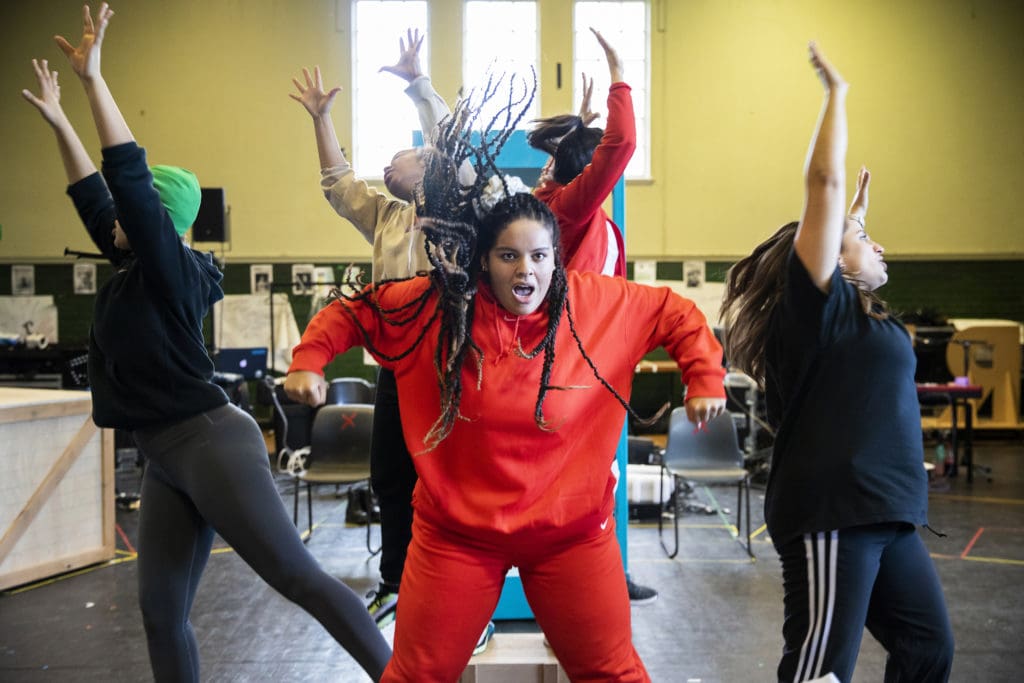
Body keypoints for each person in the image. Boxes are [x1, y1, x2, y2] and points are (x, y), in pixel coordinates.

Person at [285, 89, 726, 676]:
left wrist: (705, 378)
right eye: (509, 257)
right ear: (484, 260)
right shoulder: (439, 307)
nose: (527, 271)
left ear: (556, 259)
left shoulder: (594, 304)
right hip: (456, 536)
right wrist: (310, 359)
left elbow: (678, 314)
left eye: (541, 257)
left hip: (570, 536)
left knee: (613, 672)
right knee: (415, 674)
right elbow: (355, 312)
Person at [22, 5, 390, 681]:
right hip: (168, 454)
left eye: (130, 211)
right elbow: (94, 195)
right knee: (161, 611)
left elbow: (126, 179)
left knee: (296, 577)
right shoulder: (133, 261)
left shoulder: (168, 266)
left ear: (158, 219)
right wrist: (59, 119)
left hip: (208, 440)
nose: (113, 217)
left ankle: (402, 674)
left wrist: (95, 83)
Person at [720, 43, 954, 682]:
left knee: (928, 650)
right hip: (835, 512)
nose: (876, 241)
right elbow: (822, 186)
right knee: (820, 673)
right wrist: (837, 97)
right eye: (858, 239)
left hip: (891, 511)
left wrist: (854, 227)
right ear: (827, 260)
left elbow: (844, 232)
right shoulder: (818, 309)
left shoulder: (859, 314)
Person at [290, 29, 455, 630]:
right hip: (396, 370)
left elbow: (450, 144)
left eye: (402, 155)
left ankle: (456, 594)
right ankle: (394, 582)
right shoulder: (387, 217)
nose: (388, 162)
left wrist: (418, 83)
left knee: (447, 484)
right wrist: (321, 119)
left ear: (430, 167)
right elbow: (339, 183)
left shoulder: (455, 209)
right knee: (390, 476)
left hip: (451, 371)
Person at [527, 28, 633, 278]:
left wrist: (577, 129)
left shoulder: (550, 200)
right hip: (579, 314)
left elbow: (560, 165)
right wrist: (617, 75)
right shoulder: (569, 207)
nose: (547, 165)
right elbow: (622, 142)